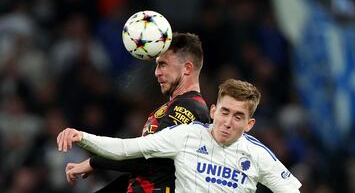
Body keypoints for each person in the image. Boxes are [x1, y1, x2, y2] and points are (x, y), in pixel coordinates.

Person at [57, 79, 302, 192]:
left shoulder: (258, 155)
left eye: (238, 117)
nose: (228, 122)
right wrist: (83, 136)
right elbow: (126, 148)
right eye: (224, 112)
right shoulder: (186, 136)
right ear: (213, 111)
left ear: (249, 124)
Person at [62, 32, 211, 192]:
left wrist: (95, 162)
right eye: (157, 65)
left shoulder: (190, 108)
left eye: (163, 64)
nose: (157, 72)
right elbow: (147, 165)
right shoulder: (173, 107)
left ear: (187, 68)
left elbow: (147, 159)